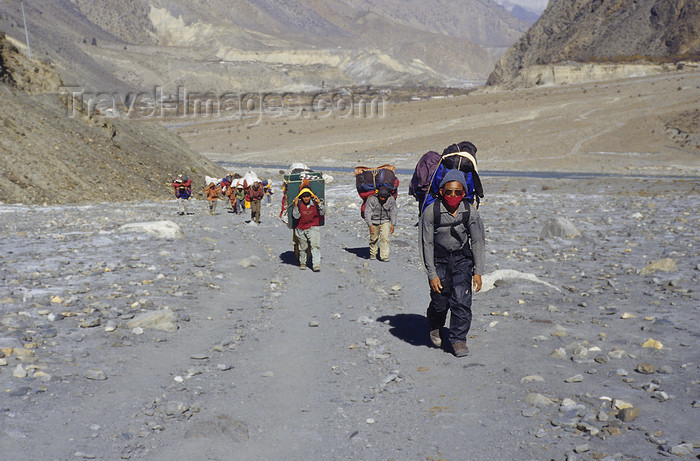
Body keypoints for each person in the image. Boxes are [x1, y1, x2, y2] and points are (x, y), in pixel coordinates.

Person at [421, 169, 485, 357]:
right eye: (449, 192)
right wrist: (431, 274)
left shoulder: (469, 212)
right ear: (442, 191)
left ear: (464, 193)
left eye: (458, 192)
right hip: (439, 259)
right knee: (440, 301)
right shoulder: (431, 212)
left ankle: (458, 340)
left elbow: (478, 241)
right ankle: (435, 324)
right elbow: (426, 243)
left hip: (462, 260)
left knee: (461, 300)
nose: (453, 196)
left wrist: (478, 271)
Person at [292, 188, 324, 271]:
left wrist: (319, 204)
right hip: (300, 228)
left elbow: (323, 213)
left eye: (308, 196)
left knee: (315, 246)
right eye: (304, 196)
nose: (306, 198)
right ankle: (303, 262)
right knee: (303, 247)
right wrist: (295, 206)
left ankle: (316, 264)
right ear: (301, 197)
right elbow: (296, 216)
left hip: (313, 227)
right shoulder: (298, 204)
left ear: (310, 196)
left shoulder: (315, 203)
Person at [364, 186, 397, 261]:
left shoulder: (391, 199)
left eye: (384, 197)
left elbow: (393, 211)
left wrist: (393, 224)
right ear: (378, 195)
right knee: (373, 238)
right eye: (381, 197)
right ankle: (373, 254)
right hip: (374, 221)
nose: (383, 198)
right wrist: (370, 225)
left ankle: (384, 256)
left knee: (385, 238)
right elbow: (367, 212)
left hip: (385, 220)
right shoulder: (371, 199)